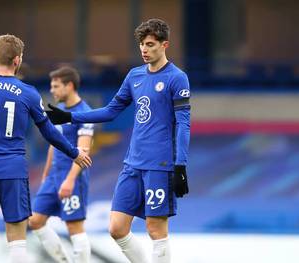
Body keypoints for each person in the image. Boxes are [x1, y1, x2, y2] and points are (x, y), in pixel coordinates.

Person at [45, 18, 190, 263]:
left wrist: (180, 166)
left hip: (160, 164)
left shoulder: (177, 78)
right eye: (142, 44)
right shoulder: (134, 76)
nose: (144, 49)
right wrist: (70, 116)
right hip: (132, 163)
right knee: (117, 228)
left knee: (156, 229)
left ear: (165, 45)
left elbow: (184, 123)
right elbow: (111, 111)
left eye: (151, 44)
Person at [0, 34, 92, 263]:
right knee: (17, 239)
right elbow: (48, 131)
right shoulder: (28, 93)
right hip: (14, 172)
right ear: (18, 60)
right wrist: (74, 152)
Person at [28, 66, 94, 263]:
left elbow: (84, 152)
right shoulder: (60, 111)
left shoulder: (85, 113)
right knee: (36, 221)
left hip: (72, 177)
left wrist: (70, 180)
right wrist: (46, 174)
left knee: (74, 226)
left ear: (69, 86)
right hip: (54, 176)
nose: (52, 90)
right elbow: (53, 145)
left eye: (56, 86)